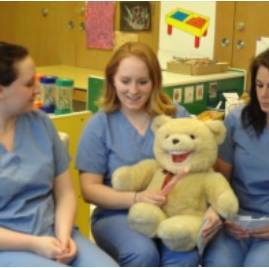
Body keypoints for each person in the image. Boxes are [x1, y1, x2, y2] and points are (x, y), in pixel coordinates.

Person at [76, 41, 221, 267]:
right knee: (143, 254)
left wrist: (214, 207)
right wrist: (136, 198)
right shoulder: (99, 125)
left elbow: (205, 165)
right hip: (117, 214)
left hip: (174, 210)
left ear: (155, 82)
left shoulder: (175, 115)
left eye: (142, 82)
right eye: (125, 81)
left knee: (184, 255)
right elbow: (89, 190)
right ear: (112, 80)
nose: (133, 91)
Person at [0, 41, 118, 267]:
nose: (37, 89)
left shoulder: (41, 124)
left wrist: (63, 237)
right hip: (10, 245)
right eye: (28, 84)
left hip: (53, 233)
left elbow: (65, 194)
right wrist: (34, 244)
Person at [203, 49, 269, 266]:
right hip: (234, 221)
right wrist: (223, 215)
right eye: (259, 85)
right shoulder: (237, 119)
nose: (264, 94)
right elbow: (221, 181)